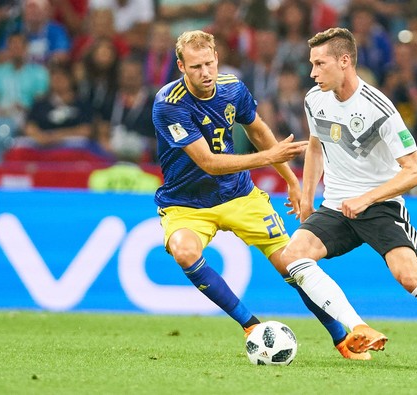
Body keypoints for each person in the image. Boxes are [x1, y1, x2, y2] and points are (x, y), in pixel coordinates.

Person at [279, 27, 417, 371]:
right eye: (311, 64)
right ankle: (358, 327)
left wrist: (367, 199)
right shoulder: (315, 100)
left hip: (380, 206)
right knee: (293, 256)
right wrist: (307, 197)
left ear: (344, 61)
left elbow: (416, 171)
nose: (312, 73)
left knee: (409, 276)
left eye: (319, 64)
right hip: (336, 206)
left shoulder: (378, 108)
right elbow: (315, 146)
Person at [152, 30, 368, 360]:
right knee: (184, 252)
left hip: (239, 195)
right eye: (195, 67)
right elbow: (209, 163)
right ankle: (251, 326)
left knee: (292, 264)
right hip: (186, 203)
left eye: (209, 63)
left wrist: (292, 181)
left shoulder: (232, 89)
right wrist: (267, 158)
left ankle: (342, 338)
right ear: (181, 65)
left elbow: (259, 132)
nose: (205, 73)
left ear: (217, 58)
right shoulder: (169, 105)